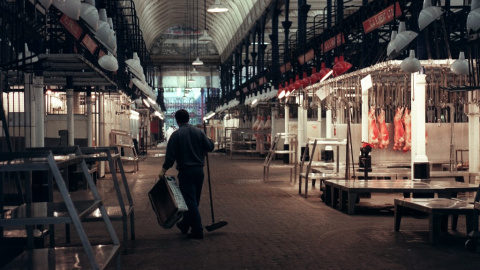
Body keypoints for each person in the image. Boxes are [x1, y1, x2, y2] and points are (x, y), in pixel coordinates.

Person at [158, 109, 214, 239]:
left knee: (190, 202)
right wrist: (209, 139)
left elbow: (170, 156)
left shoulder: (176, 135)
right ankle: (184, 224)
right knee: (194, 200)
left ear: (177, 121)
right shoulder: (199, 132)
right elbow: (210, 147)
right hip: (199, 172)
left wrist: (164, 170)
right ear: (188, 118)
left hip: (186, 172)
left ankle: (197, 230)